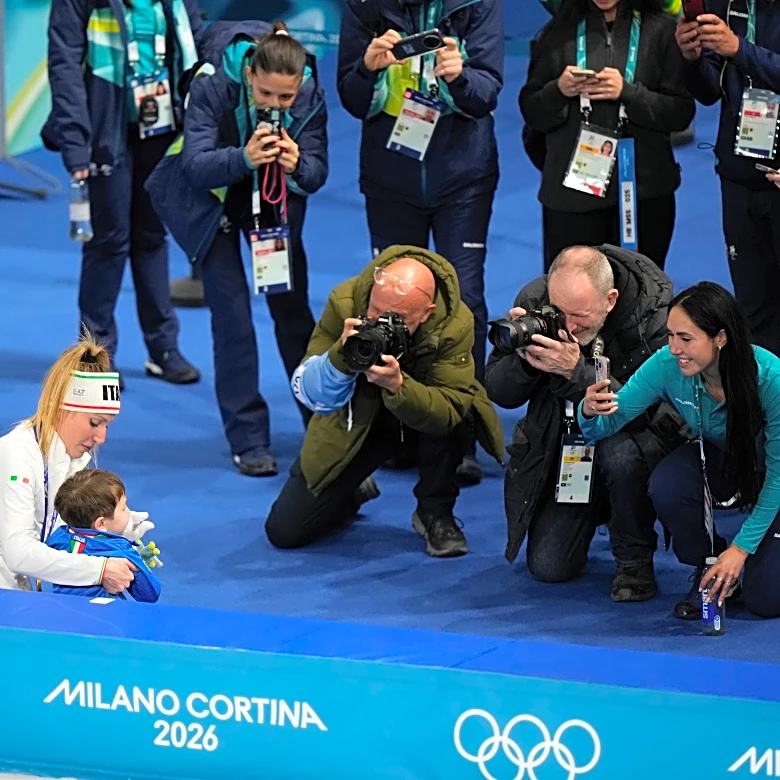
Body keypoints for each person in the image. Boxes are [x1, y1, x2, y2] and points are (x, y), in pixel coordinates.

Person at [146, 21, 328, 477]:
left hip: (272, 206)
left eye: (285, 98)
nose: (275, 105)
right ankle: (247, 438)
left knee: (292, 314)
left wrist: (298, 163)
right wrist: (244, 158)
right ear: (250, 76)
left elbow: (318, 171)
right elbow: (195, 167)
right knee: (232, 318)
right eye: (266, 94)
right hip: (211, 205)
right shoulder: (212, 84)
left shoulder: (308, 92)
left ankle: (321, 427)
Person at [336, 0, 504, 485]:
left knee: (465, 301)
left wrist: (458, 76)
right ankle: (401, 429)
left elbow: (486, 92)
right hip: (390, 180)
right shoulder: (363, 6)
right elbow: (350, 96)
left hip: (463, 178)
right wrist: (367, 70)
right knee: (389, 306)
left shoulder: (478, 5)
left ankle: (462, 434)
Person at [264, 246, 504, 557]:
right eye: (375, 312)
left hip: (423, 422)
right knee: (284, 531)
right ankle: (349, 491)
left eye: (399, 318)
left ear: (427, 312)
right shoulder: (346, 301)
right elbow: (310, 394)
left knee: (463, 412)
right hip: (361, 420)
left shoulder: (455, 322)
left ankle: (435, 513)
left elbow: (448, 408)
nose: (381, 323)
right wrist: (340, 358)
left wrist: (399, 387)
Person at [485, 245, 683, 601]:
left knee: (620, 454)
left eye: (579, 316)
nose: (569, 328)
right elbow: (500, 392)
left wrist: (575, 372)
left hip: (632, 445)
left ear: (611, 299)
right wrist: (527, 361)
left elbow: (657, 413)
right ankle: (597, 509)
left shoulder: (656, 316)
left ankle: (634, 559)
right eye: (559, 313)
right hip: (562, 447)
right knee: (549, 568)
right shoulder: (535, 299)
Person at [581, 282, 780, 619]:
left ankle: (743, 557)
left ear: (720, 337)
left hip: (773, 477)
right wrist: (588, 411)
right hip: (725, 461)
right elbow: (608, 425)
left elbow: (778, 477)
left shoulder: (770, 378)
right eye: (671, 335)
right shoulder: (666, 365)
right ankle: (710, 565)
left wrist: (741, 548)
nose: (674, 348)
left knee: (766, 601)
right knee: (669, 484)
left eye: (686, 338)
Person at [43, 0, 204, 387]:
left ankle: (163, 348)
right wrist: (76, 140)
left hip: (161, 127)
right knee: (108, 241)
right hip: (104, 131)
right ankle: (95, 356)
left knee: (152, 236)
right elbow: (64, 63)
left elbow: (196, 41)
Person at [520, 0, 694, 271]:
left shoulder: (660, 32)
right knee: (572, 302)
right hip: (571, 199)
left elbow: (680, 113)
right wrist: (558, 90)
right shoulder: (557, 33)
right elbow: (532, 113)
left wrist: (628, 93)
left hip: (643, 196)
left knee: (642, 300)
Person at [0, 336, 153, 593]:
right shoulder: (15, 454)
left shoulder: (71, 460)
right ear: (59, 410)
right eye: (94, 423)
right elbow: (18, 551)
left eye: (106, 425)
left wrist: (118, 526)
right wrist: (100, 569)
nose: (101, 437)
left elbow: (59, 529)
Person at [676, 2, 780, 356]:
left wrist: (740, 49)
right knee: (753, 311)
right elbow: (709, 90)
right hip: (738, 176)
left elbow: (743, 54)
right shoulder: (727, 3)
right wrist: (691, 58)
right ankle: (766, 405)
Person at [48, 469, 161, 602]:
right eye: (124, 508)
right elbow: (151, 594)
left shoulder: (58, 537)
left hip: (63, 611)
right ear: (101, 523)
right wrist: (137, 564)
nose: (129, 512)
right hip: (106, 617)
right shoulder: (119, 549)